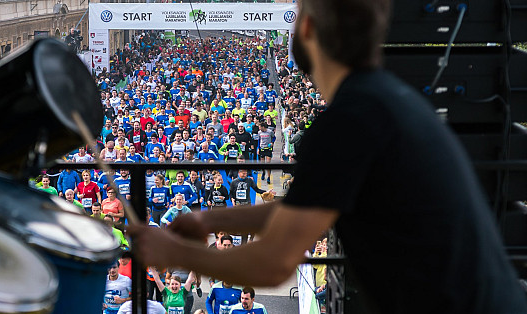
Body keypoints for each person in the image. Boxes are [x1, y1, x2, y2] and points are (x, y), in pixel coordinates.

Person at [127, 1, 527, 313]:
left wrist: (173, 253)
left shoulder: (349, 120)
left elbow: (273, 263)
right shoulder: (383, 100)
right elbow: (303, 208)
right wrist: (208, 219)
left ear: (306, 30)